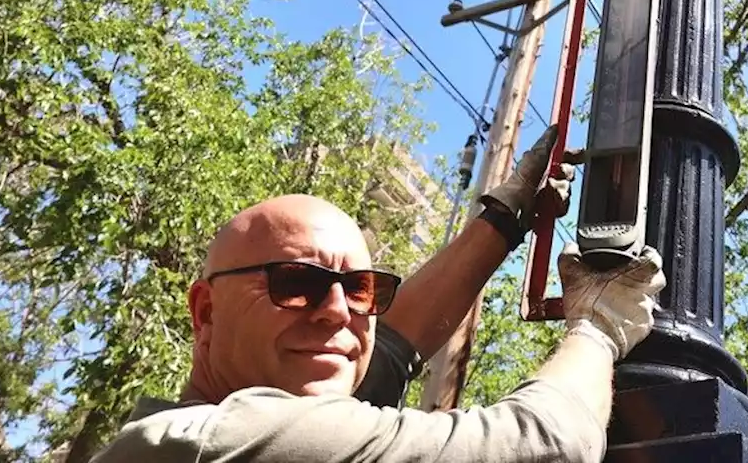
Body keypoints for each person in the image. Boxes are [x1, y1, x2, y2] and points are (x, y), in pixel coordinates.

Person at [91, 126, 666, 463]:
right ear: (206, 311)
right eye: (298, 284)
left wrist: (505, 216)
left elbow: (388, 346)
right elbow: (544, 446)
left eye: (362, 289)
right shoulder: (215, 441)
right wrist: (597, 326)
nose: (338, 312)